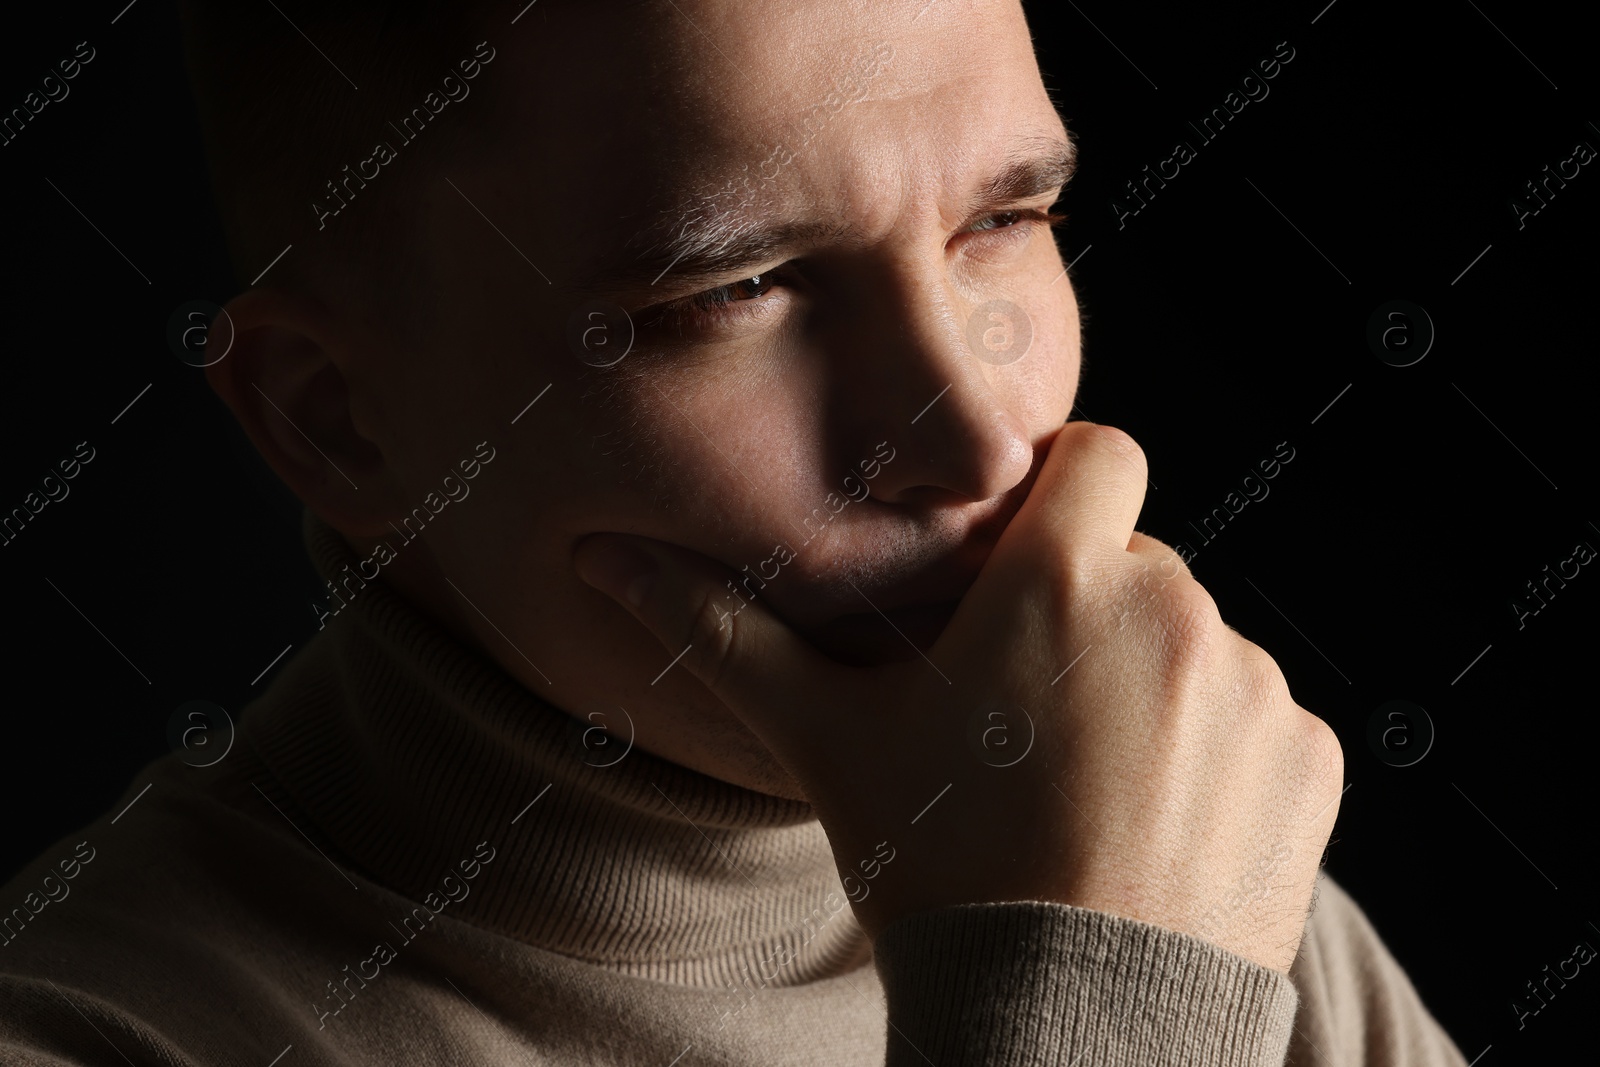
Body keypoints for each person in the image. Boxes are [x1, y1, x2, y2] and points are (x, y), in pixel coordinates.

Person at [0, 1, 1466, 1063]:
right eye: (736, 293)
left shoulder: (1166, 850)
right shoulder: (89, 1030)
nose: (974, 439)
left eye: (1004, 221)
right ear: (334, 419)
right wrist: (1096, 1004)